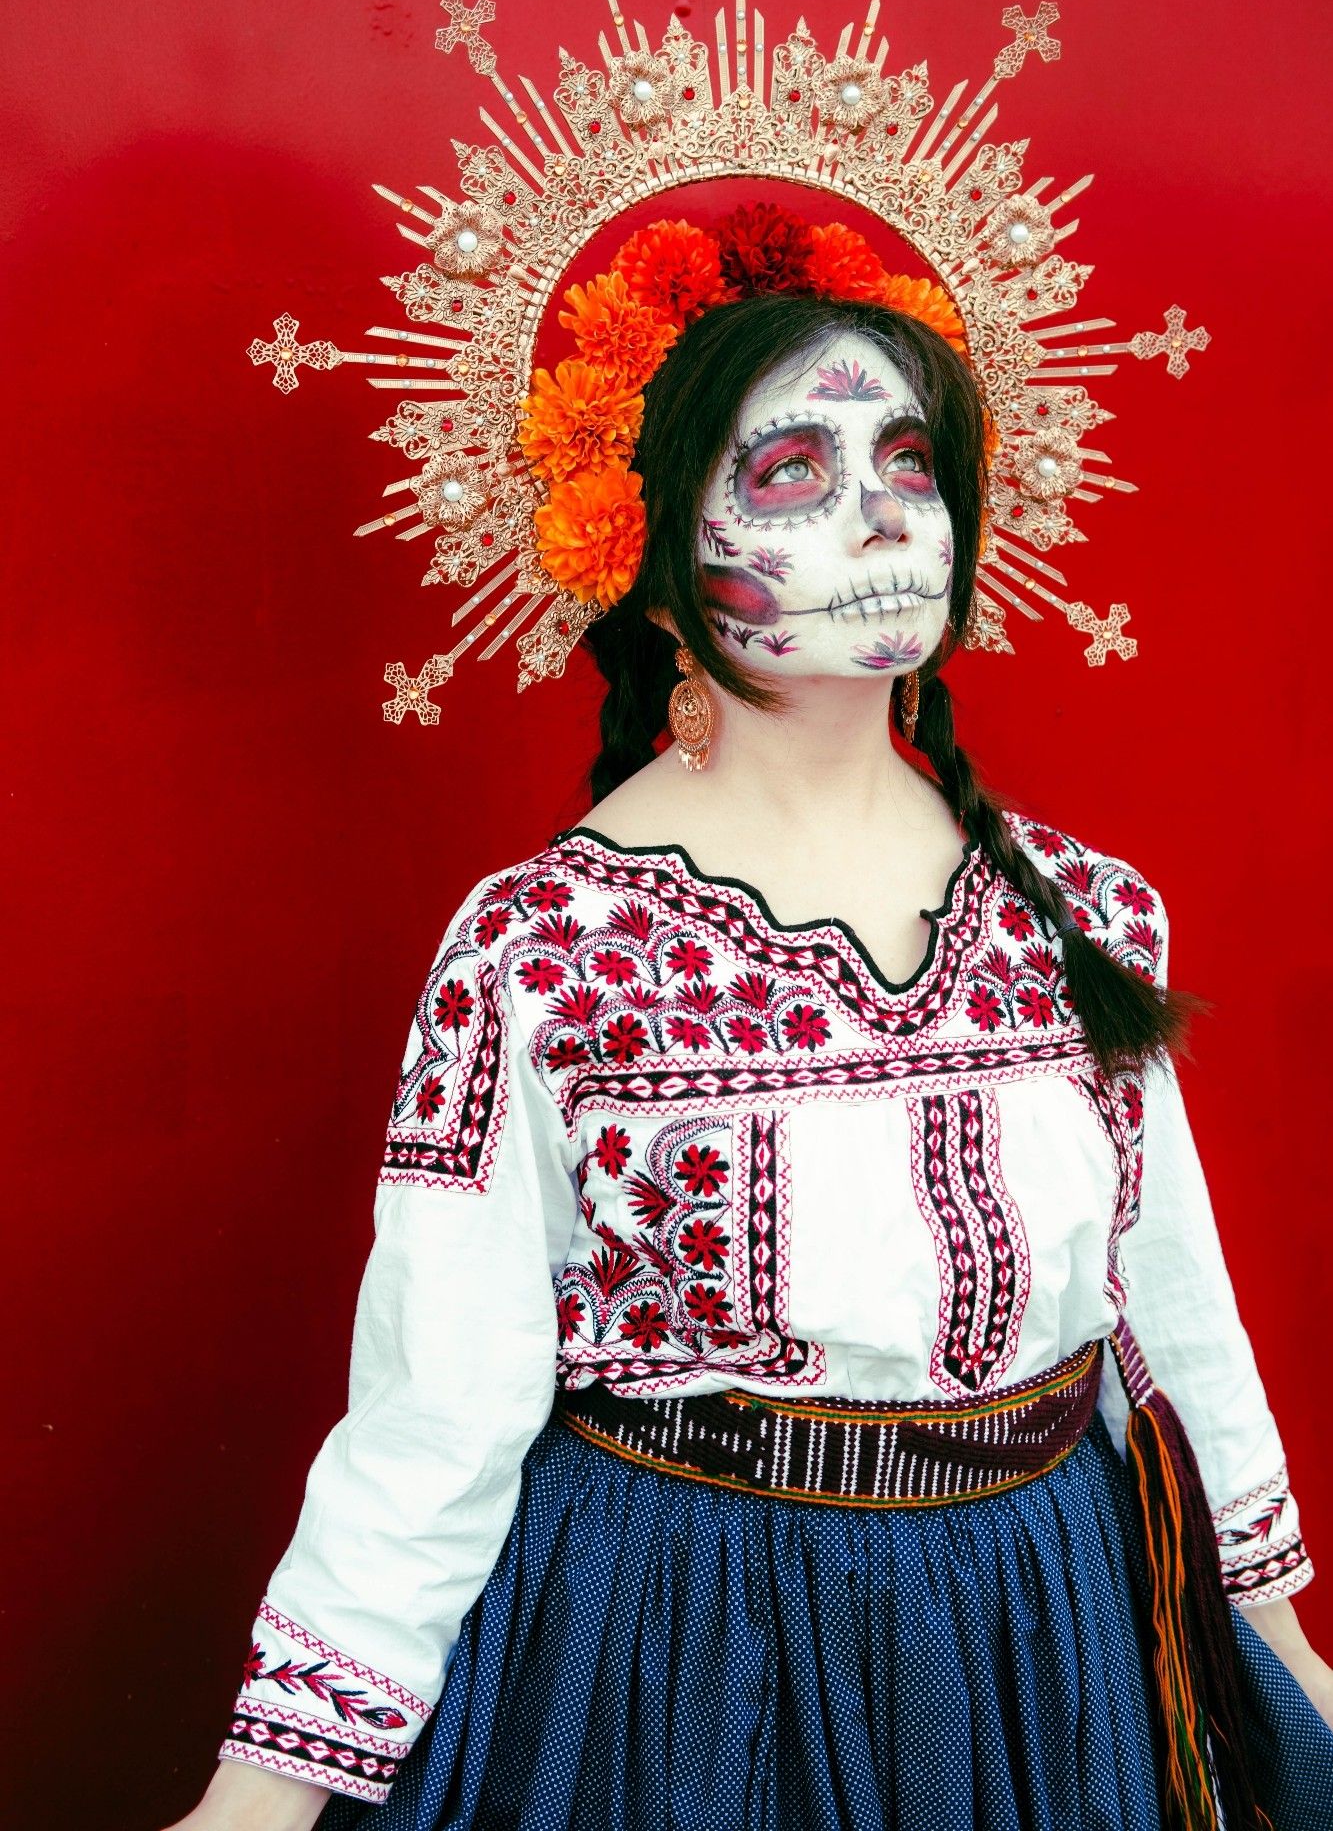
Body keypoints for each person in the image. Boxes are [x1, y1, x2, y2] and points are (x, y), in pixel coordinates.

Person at [172, 287, 1333, 1831]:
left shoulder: (1085, 912)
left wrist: (1278, 1655)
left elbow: (1170, 1324)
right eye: (789, 468)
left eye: (911, 461)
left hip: (1041, 1648)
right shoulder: (545, 950)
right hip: (679, 1647)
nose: (878, 516)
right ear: (643, 544)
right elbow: (436, 1408)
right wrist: (261, 1797)